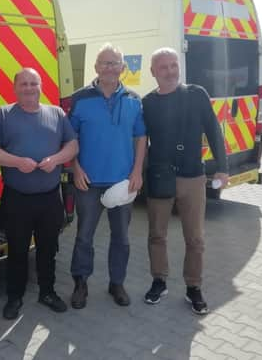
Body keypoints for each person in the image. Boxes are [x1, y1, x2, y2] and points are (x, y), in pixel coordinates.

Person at [0, 68, 79, 320]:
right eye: (23, 84)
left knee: (49, 248)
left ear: (40, 86)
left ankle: (47, 292)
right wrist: (16, 162)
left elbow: (72, 145)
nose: (28, 88)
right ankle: (14, 297)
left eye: (33, 83)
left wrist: (56, 158)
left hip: (49, 198)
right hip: (17, 198)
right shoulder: (3, 114)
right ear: (15, 87)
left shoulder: (56, 114)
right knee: (16, 250)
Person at [142, 47, 229, 314]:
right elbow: (139, 142)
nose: (169, 71)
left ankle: (193, 288)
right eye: (163, 67)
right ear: (153, 72)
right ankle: (159, 281)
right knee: (157, 235)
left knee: (195, 238)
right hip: (159, 177)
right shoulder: (147, 103)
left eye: (173, 65)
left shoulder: (196, 94)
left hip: (193, 176)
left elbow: (213, 130)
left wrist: (222, 168)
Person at [69, 43, 147, 308]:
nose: (109, 68)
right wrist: (75, 168)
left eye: (114, 63)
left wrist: (137, 171)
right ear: (95, 67)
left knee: (121, 238)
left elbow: (140, 137)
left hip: (122, 182)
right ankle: (80, 283)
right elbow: (70, 138)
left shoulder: (134, 100)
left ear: (123, 68)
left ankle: (117, 283)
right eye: (104, 63)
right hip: (87, 181)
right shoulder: (79, 99)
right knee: (84, 236)